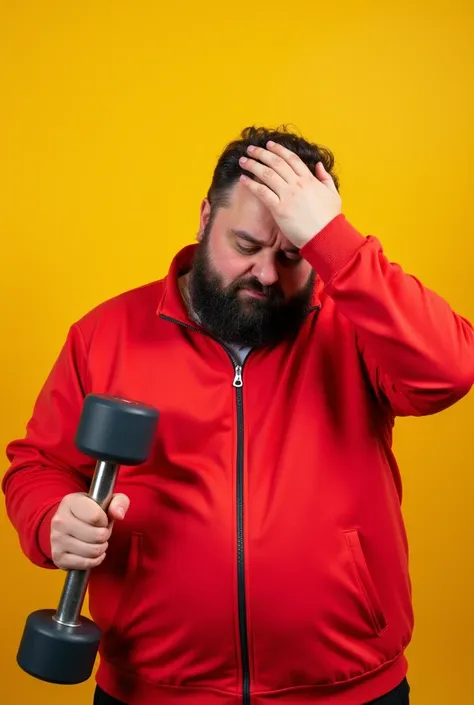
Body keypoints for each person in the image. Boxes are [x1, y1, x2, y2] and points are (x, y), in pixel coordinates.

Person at [3, 125, 474, 705]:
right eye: (246, 246)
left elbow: (448, 372)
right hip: (153, 689)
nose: (268, 275)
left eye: (294, 252)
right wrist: (52, 517)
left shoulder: (358, 325)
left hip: (347, 690)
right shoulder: (105, 334)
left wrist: (337, 243)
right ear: (204, 219)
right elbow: (39, 464)